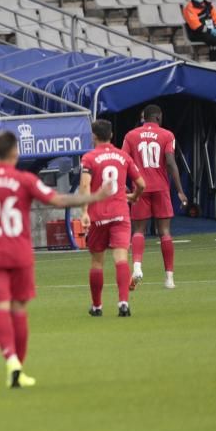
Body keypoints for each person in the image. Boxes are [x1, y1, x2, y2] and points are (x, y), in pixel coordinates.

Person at [0, 130, 114, 388]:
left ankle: (11, 361)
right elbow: (59, 200)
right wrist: (95, 197)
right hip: (20, 254)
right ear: (15, 153)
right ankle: (20, 369)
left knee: (0, 309)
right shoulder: (24, 179)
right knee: (20, 310)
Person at [78, 119, 145, 318]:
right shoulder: (123, 156)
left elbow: (85, 186)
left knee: (97, 262)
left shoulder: (89, 158)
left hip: (98, 214)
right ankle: (123, 303)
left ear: (94, 136)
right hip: (120, 213)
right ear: (112, 136)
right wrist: (134, 196)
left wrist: (84, 212)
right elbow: (141, 183)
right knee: (121, 259)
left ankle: (97, 306)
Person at [122, 104, 189, 289]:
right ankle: (169, 279)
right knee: (165, 232)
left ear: (144, 117)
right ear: (158, 117)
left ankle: (137, 267)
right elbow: (170, 162)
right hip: (161, 188)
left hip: (140, 187)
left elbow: (124, 160)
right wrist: (180, 190)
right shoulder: (167, 135)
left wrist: (124, 185)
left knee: (138, 230)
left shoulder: (131, 135)